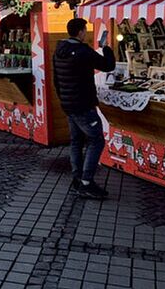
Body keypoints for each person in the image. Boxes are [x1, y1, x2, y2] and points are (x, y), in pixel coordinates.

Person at [53, 18, 116, 199]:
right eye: (85, 30)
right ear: (81, 31)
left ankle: (77, 178)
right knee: (96, 140)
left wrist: (64, 99)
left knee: (76, 141)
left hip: (68, 104)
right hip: (84, 104)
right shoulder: (83, 51)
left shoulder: (59, 50)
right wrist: (106, 48)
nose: (85, 33)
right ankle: (87, 183)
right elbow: (108, 65)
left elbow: (56, 79)